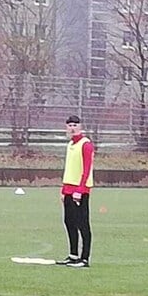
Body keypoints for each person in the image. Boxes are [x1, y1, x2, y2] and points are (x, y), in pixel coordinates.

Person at [54, 114, 93, 268]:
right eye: (69, 125)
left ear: (80, 126)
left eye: (75, 125)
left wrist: (80, 190)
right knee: (69, 222)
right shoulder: (71, 145)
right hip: (69, 189)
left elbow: (86, 169)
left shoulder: (86, 144)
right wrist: (64, 190)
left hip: (80, 190)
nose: (72, 128)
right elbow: (69, 169)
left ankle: (85, 258)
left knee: (82, 223)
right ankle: (73, 254)